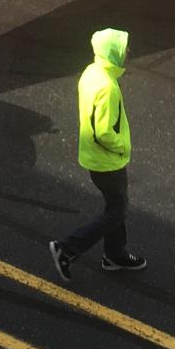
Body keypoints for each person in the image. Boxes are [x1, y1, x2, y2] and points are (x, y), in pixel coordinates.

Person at [49, 28, 147, 282]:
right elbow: (103, 132)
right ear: (113, 52)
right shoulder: (108, 88)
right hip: (107, 162)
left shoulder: (92, 72)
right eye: (124, 48)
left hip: (94, 158)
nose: (128, 52)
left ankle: (115, 254)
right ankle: (67, 248)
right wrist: (122, 147)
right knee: (116, 211)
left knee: (117, 207)